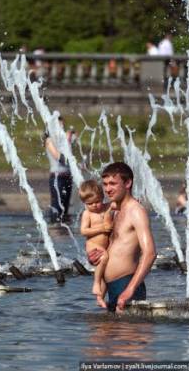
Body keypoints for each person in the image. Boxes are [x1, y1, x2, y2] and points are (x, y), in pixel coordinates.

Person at [88, 162, 156, 313]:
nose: (107, 189)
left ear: (128, 183)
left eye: (112, 183)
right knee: (101, 334)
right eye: (105, 184)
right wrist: (96, 259)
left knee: (127, 334)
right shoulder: (115, 211)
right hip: (113, 287)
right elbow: (114, 251)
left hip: (127, 285)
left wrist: (130, 289)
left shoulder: (136, 211)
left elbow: (150, 253)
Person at [79, 180, 114, 308]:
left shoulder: (107, 207)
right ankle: (96, 283)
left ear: (102, 198)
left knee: (108, 272)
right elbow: (83, 231)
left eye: (97, 201)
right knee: (104, 257)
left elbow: (118, 203)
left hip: (105, 246)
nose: (94, 205)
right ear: (84, 203)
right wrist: (101, 229)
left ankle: (100, 297)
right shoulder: (87, 214)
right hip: (93, 245)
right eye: (90, 203)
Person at [44, 116, 75, 223]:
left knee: (65, 207)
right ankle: (55, 230)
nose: (61, 128)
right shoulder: (49, 141)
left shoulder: (64, 141)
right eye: (58, 126)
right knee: (57, 206)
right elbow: (61, 158)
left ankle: (65, 233)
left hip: (67, 176)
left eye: (62, 126)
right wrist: (67, 140)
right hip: (57, 177)